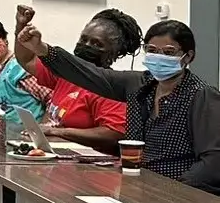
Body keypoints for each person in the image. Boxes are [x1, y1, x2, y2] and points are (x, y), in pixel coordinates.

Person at [21, 18, 220, 193]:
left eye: (168, 52)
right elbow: (88, 74)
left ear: (188, 56)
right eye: (151, 51)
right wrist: (42, 49)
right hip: (136, 185)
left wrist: (175, 192)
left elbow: (213, 161)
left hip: (180, 193)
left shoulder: (201, 95)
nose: (159, 57)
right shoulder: (139, 84)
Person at [11, 5, 130, 155]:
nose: (86, 46)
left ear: (113, 54)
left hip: (92, 166)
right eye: (83, 39)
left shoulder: (110, 88)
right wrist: (21, 26)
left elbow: (114, 134)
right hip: (58, 155)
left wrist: (60, 132)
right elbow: (27, 59)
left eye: (96, 44)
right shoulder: (67, 75)